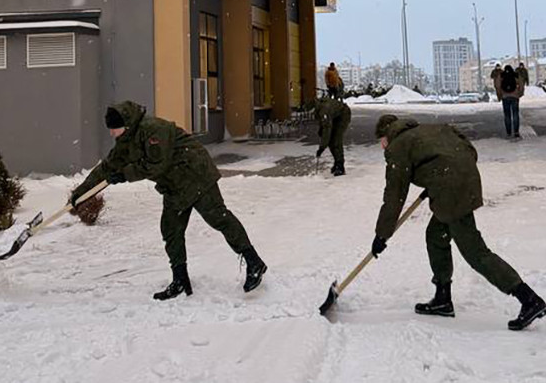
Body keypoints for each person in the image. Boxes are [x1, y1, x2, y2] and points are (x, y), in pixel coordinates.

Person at [69, 101, 267, 300]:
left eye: (115, 129)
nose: (112, 133)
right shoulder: (126, 141)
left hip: (195, 174)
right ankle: (180, 280)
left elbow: (156, 164)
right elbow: (107, 167)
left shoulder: (153, 130)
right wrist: (80, 193)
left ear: (127, 124)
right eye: (110, 130)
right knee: (171, 229)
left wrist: (124, 174)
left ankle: (254, 262)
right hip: (174, 185)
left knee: (218, 217)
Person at [370, 114, 546, 331]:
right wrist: (440, 174)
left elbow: (394, 195)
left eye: (381, 142)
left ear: (386, 135)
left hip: (451, 191)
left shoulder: (397, 146)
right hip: (465, 180)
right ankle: (442, 297)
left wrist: (382, 235)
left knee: (475, 252)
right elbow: (467, 149)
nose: (382, 147)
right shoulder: (430, 129)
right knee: (436, 236)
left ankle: (528, 299)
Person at [315, 96, 351, 176]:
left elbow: (327, 130)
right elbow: (323, 123)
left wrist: (322, 148)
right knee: (331, 142)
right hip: (335, 116)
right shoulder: (319, 107)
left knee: (336, 140)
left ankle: (340, 166)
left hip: (343, 115)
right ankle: (336, 162)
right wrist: (321, 129)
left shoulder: (324, 110)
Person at [500, 65, 523, 139]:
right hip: (515, 97)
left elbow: (497, 85)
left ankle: (508, 133)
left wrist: (500, 94)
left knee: (507, 115)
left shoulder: (501, 75)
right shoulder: (516, 75)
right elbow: (521, 85)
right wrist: (519, 93)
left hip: (505, 97)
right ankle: (516, 132)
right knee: (515, 114)